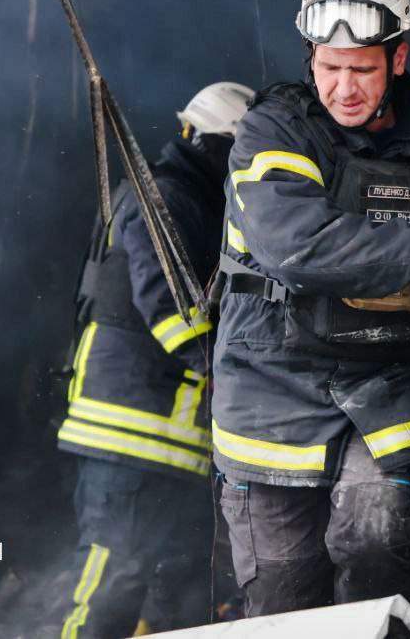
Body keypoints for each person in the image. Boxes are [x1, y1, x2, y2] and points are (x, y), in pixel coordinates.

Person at [211, 0, 410, 617]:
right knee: (284, 589)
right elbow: (301, 246)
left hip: (385, 384)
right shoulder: (274, 128)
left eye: (363, 70)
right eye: (329, 66)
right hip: (271, 382)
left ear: (398, 60)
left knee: (375, 546)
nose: (344, 87)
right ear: (311, 54)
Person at [57, 81, 254, 639]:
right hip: (131, 436)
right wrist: (229, 368)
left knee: (180, 599)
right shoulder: (164, 199)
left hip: (168, 443)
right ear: (221, 147)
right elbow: (163, 298)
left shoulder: (197, 203)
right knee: (111, 585)